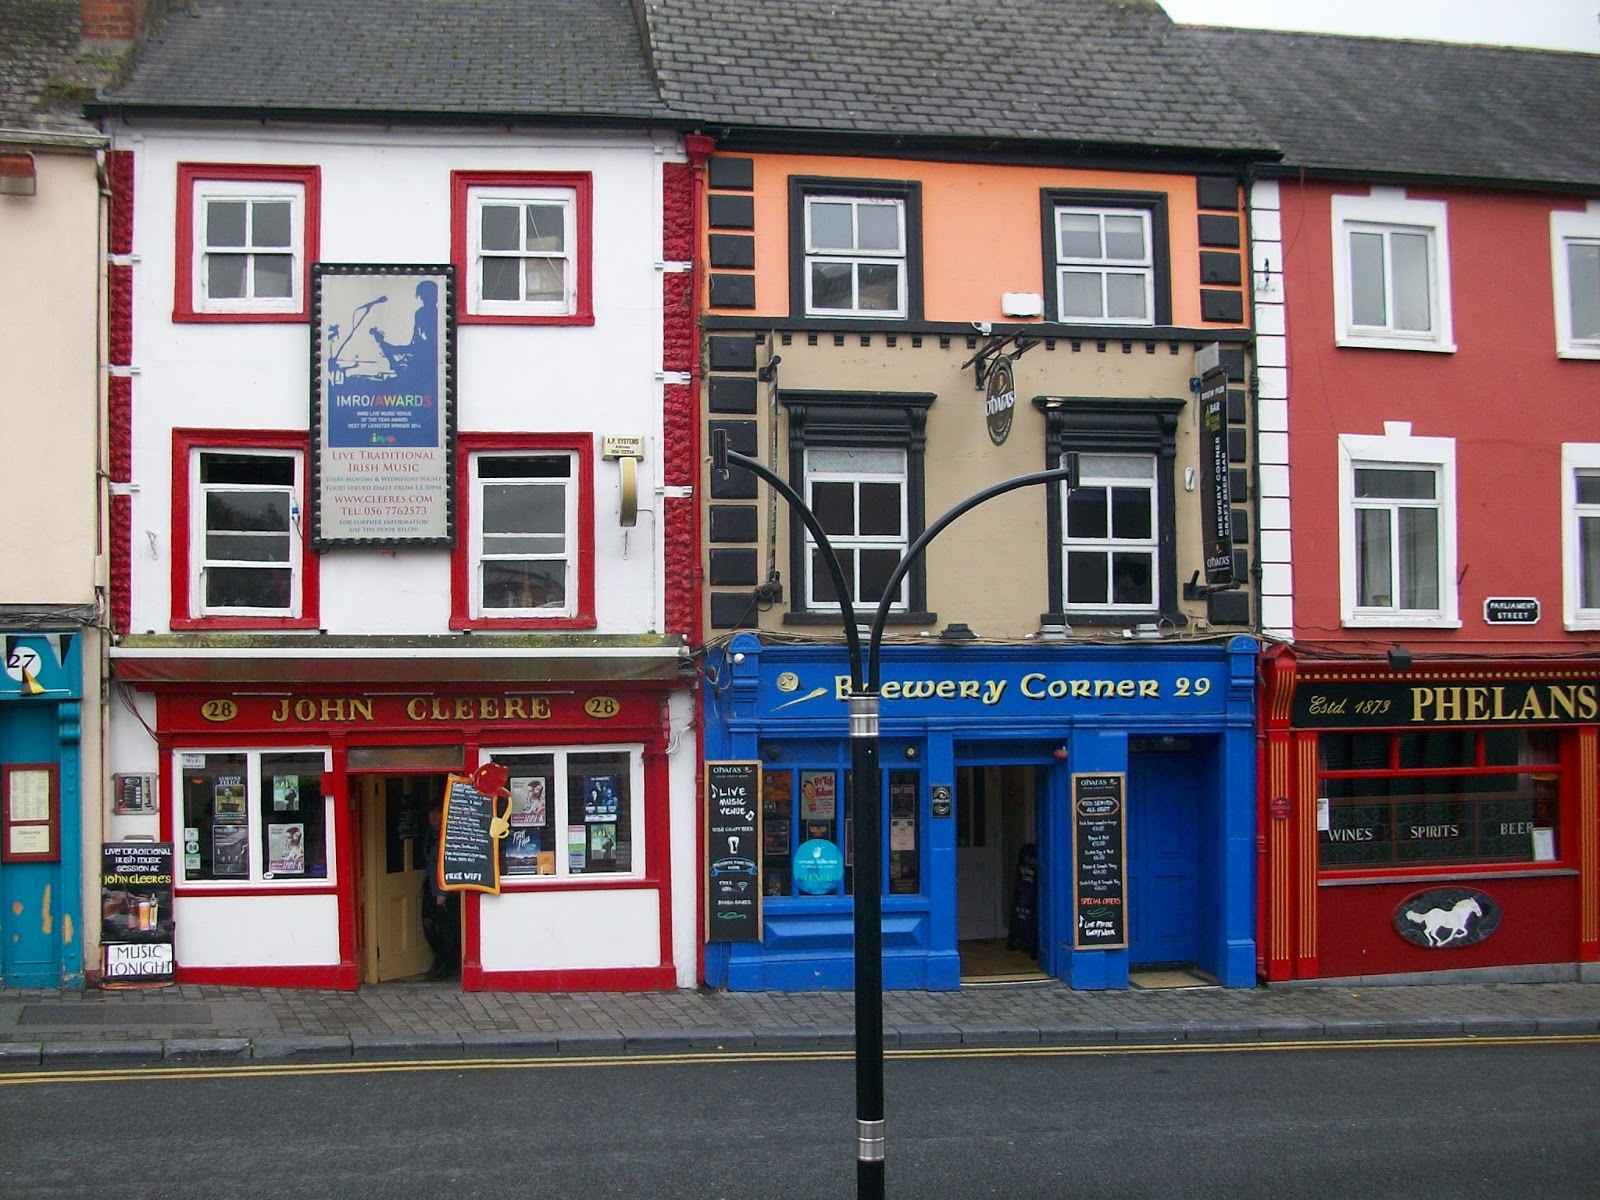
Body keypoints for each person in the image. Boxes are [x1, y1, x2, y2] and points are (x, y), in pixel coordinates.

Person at [420, 799, 461, 981]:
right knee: (428, 924)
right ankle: (439, 961)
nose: (434, 817)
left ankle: (448, 966)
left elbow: (448, 864)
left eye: (438, 814)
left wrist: (442, 893)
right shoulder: (430, 834)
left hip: (444, 887)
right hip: (430, 885)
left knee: (445, 928)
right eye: (431, 814)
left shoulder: (448, 837)